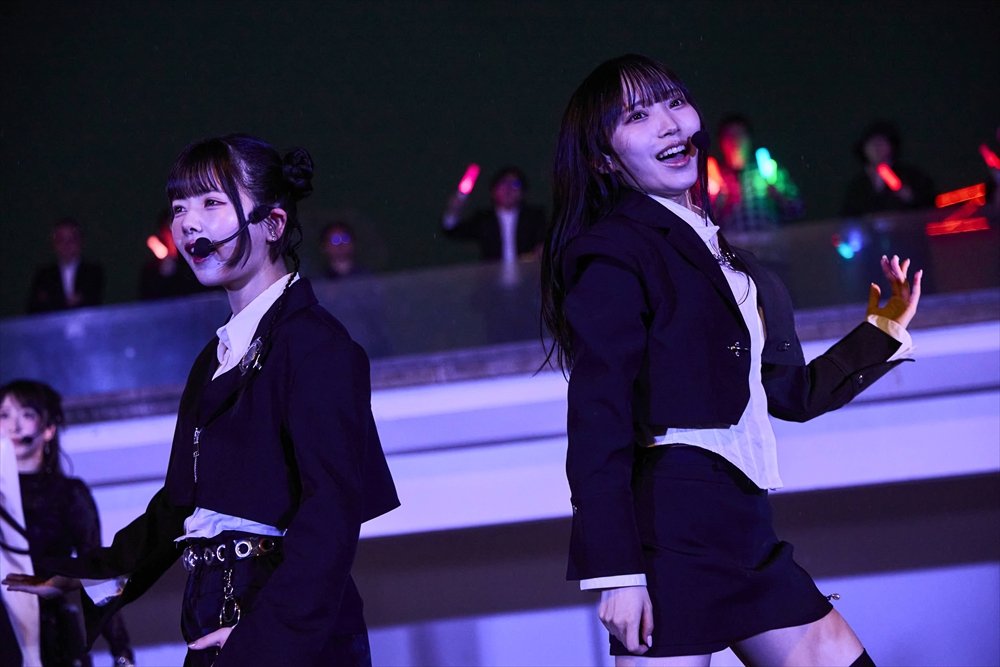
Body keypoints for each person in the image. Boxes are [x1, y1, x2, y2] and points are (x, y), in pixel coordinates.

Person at [540, 54, 922, 666]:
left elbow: (790, 395)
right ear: (604, 159)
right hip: (672, 528)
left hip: (745, 520)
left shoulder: (728, 260)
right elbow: (598, 415)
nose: (669, 122)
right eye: (637, 116)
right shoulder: (614, 250)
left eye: (673, 102)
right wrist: (616, 571)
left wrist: (883, 330)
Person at [4, 134, 400, 667]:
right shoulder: (214, 357)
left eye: (212, 202)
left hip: (281, 631)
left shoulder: (317, 346)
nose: (189, 223)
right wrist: (87, 574)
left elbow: (330, 512)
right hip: (215, 621)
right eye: (178, 208)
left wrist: (264, 638)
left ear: (273, 223)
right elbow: (180, 503)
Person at [0, 380, 134, 667]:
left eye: (26, 414)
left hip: (53, 635)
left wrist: (122, 653)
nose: (13, 426)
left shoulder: (69, 494)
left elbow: (96, 573)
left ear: (48, 428)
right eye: (4, 415)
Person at [712, 115, 804, 232]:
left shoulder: (771, 170)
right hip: (731, 241)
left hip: (770, 239)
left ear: (749, 139)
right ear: (721, 142)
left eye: (740, 134)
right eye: (730, 136)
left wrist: (778, 196)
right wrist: (716, 205)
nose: (735, 140)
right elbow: (702, 222)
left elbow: (798, 210)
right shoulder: (713, 178)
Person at [441, 166, 546, 262]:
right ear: (493, 191)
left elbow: (545, 240)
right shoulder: (484, 219)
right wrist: (453, 210)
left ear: (523, 192)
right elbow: (451, 230)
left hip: (527, 273)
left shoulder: (535, 217)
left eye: (515, 184)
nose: (508, 189)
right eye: (503, 183)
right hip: (492, 275)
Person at [841, 121, 935, 216]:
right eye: (872, 144)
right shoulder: (858, 184)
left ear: (891, 146)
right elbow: (847, 214)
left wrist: (910, 197)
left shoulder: (911, 175)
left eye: (881, 143)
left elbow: (929, 203)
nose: (876, 148)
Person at [26, 218, 105, 313]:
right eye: (61, 240)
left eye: (71, 239)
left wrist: (54, 300)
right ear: (54, 244)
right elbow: (34, 308)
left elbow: (92, 302)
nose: (66, 245)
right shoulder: (43, 275)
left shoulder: (93, 272)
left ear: (80, 241)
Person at [138, 208, 209, 300]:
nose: (173, 235)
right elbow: (149, 302)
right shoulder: (152, 270)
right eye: (169, 229)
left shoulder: (201, 260)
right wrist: (164, 275)